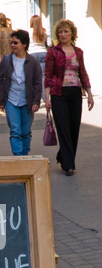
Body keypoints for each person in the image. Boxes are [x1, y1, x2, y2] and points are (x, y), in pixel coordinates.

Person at [45, 19, 94, 176]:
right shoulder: (53, 52)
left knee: (74, 129)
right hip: (58, 93)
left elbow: (83, 73)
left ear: (72, 33)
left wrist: (90, 94)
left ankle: (62, 155)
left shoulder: (78, 51)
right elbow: (48, 75)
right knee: (63, 129)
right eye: (60, 32)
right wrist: (47, 98)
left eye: (66, 31)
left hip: (75, 92)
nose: (63, 34)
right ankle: (68, 165)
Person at [0, 29, 42, 156]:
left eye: (15, 43)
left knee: (26, 131)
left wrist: (36, 101)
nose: (12, 45)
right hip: (11, 101)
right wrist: (0, 101)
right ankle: (18, 157)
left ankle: (25, 155)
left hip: (27, 102)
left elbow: (38, 83)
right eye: (11, 43)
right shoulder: (6, 60)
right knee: (15, 131)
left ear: (24, 44)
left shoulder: (33, 62)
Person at [29, 15, 51, 101]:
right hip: (43, 53)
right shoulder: (44, 31)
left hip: (32, 54)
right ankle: (46, 98)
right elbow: (49, 44)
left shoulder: (29, 31)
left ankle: (34, 97)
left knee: (32, 76)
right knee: (42, 76)